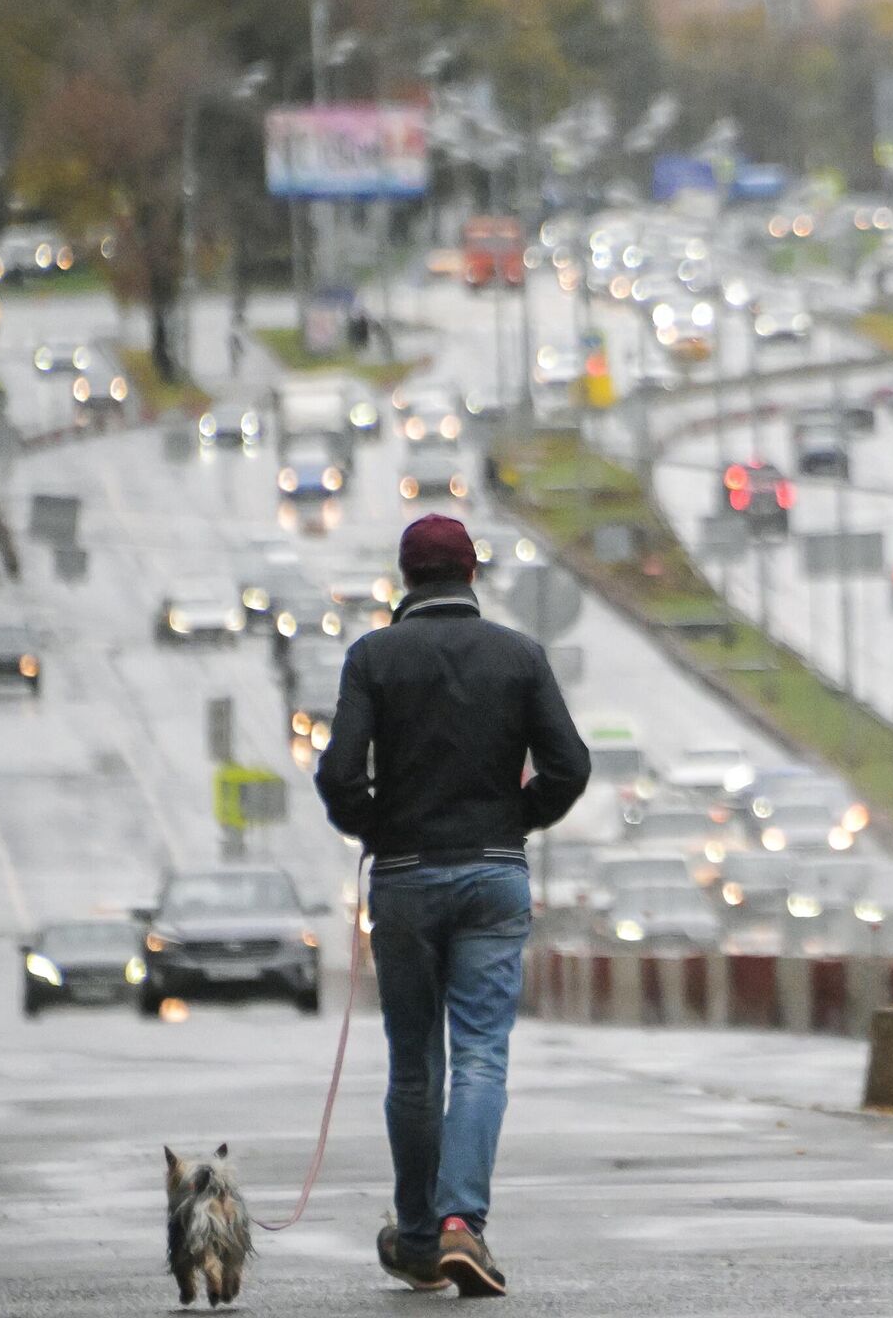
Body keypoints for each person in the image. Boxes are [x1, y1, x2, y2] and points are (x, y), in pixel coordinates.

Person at [316, 513, 590, 1297]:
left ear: (405, 580)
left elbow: (339, 775)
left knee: (413, 1065)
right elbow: (569, 765)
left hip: (403, 880)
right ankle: (461, 1225)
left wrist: (377, 826)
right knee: (479, 1056)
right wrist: (516, 819)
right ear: (472, 575)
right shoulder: (519, 656)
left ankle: (414, 1236)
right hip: (493, 878)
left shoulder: (373, 657)